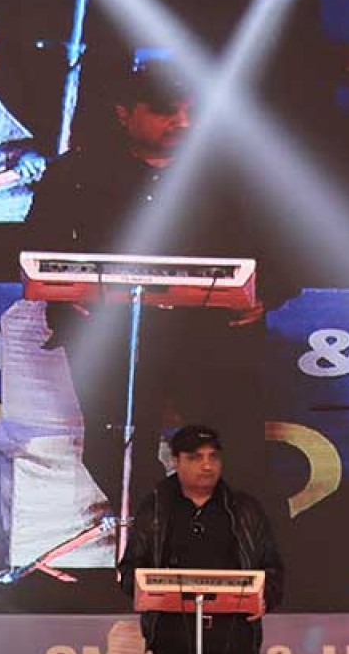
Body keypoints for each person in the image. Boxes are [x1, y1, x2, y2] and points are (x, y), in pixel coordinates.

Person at [27, 59, 269, 513]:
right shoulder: (77, 173)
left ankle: (237, 542)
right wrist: (69, 292)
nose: (183, 122)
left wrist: (265, 295)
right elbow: (36, 249)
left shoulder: (230, 176)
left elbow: (284, 245)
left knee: (237, 452)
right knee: (112, 449)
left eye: (191, 111)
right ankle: (162, 529)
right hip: (111, 333)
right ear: (124, 113)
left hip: (210, 334)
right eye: (165, 111)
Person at [118, 425, 283, 654]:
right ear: (176, 461)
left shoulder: (244, 509)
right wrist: (148, 591)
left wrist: (266, 598)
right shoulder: (156, 508)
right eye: (196, 458)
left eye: (213, 457)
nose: (207, 465)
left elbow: (272, 569)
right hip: (175, 637)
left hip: (233, 635)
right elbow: (129, 571)